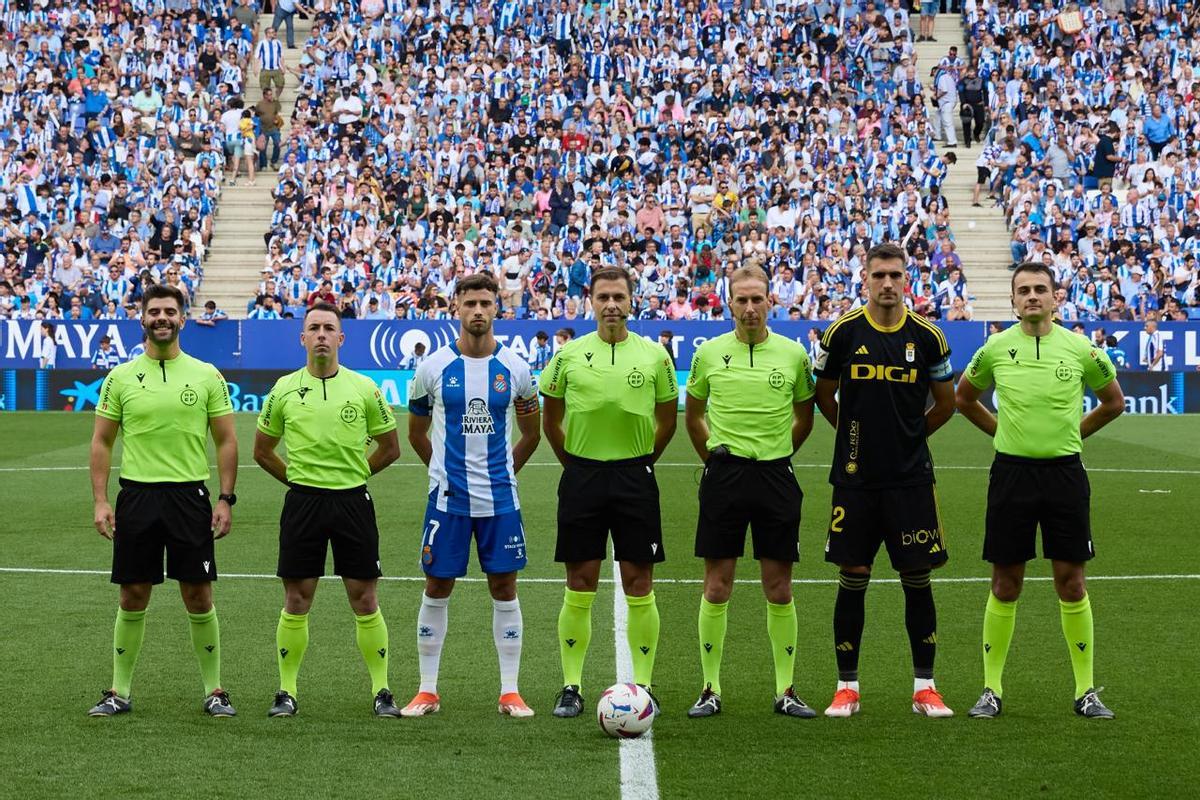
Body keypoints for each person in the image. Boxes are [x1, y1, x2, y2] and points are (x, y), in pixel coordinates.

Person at [956, 262, 1125, 720]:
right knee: (1005, 582)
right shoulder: (994, 347)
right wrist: (999, 432)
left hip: (1064, 476)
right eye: (1024, 290)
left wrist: (1073, 434)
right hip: (1011, 475)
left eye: (1040, 290)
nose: (1032, 297)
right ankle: (991, 689)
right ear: (1013, 300)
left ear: (1056, 298)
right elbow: (963, 397)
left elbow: (1114, 402)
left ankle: (1086, 691)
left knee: (1071, 582)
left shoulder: (1081, 349)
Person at [812, 243, 957, 719]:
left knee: (917, 578)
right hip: (854, 482)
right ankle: (846, 687)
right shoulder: (843, 333)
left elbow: (946, 403)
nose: (888, 284)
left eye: (896, 275)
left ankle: (925, 687)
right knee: (853, 575)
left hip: (910, 481)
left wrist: (909, 438)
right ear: (865, 279)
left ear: (907, 279)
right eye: (879, 276)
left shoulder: (930, 338)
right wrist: (852, 440)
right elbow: (825, 395)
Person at [87, 284, 238, 717]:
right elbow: (101, 442)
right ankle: (118, 691)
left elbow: (226, 441)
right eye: (154, 311)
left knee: (198, 595)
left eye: (170, 311)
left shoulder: (207, 374)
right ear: (142, 319)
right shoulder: (120, 377)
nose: (162, 318)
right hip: (136, 496)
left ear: (182, 319)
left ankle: (215, 691)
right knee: (132, 594)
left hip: (190, 497)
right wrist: (101, 500)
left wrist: (225, 498)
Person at [401, 274, 543, 718]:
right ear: (455, 308)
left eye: (485, 303)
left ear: (497, 308)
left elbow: (532, 434)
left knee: (504, 586)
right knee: (437, 584)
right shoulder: (432, 369)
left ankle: (510, 691)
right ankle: (427, 690)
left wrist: (503, 473)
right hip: (448, 501)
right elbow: (417, 433)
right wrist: (442, 473)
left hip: (501, 501)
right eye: (470, 303)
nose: (478, 311)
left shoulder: (517, 370)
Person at [254, 302, 403, 718]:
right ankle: (286, 692)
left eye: (328, 328)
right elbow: (262, 451)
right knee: (297, 599)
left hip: (353, 501)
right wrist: (298, 480)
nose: (321, 334)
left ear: (341, 338)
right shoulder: (283, 389)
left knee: (365, 597)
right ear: (302, 338)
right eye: (313, 328)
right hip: (303, 503)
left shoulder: (364, 387)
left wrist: (356, 473)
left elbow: (390, 447)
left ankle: (382, 691)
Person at [541, 267, 678, 717]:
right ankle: (571, 685)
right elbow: (551, 419)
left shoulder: (655, 356)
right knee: (580, 582)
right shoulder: (568, 355)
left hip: (635, 478)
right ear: (591, 301)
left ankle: (643, 684)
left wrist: (639, 463)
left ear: (632, 300)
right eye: (604, 296)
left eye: (619, 295)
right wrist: (578, 464)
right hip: (582, 477)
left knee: (639, 582)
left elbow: (667, 420)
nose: (612, 304)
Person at [683, 265, 818, 719]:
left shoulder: (793, 355)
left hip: (776, 477)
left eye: (757, 298)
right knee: (717, 585)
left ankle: (786, 690)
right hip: (724, 477)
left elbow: (805, 417)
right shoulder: (709, 354)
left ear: (770, 300)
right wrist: (715, 457)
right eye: (741, 300)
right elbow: (694, 415)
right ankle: (709, 688)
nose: (750, 308)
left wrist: (778, 453)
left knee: (779, 587)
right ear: (729, 303)